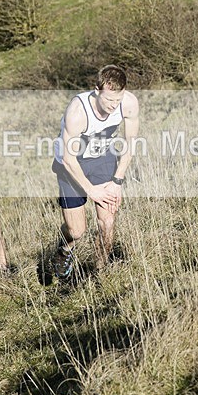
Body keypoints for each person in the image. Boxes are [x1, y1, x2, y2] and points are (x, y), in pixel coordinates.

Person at [48, 64, 139, 279]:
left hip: (102, 159)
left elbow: (130, 144)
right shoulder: (78, 112)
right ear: (97, 90)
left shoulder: (129, 103)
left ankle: (100, 272)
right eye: (109, 100)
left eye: (117, 100)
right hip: (72, 165)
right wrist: (92, 191)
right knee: (77, 231)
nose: (112, 106)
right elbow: (69, 160)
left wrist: (117, 181)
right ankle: (64, 250)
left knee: (107, 222)